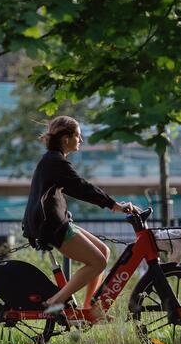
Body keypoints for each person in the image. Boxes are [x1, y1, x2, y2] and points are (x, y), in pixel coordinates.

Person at [22, 116, 135, 311]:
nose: (81, 140)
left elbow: (77, 187)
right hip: (50, 226)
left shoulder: (53, 160)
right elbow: (82, 187)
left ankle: (90, 309)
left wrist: (112, 204)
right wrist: (114, 205)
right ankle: (55, 301)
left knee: (103, 252)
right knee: (97, 262)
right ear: (66, 138)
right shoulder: (55, 162)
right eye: (78, 136)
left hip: (55, 221)